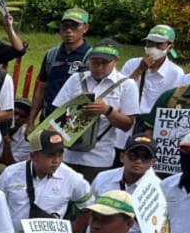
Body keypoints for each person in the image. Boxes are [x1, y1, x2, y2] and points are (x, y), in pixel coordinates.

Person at [50, 40, 140, 181]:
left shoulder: (127, 85)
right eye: (94, 62)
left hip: (98, 158)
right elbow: (55, 112)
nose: (98, 67)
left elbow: (128, 124)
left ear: (116, 61)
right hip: (67, 154)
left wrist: (108, 110)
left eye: (104, 63)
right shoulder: (76, 79)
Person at [0, 130, 91, 233]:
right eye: (51, 155)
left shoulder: (71, 178)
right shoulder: (10, 174)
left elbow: (88, 206)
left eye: (60, 154)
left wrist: (72, 232)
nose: (56, 160)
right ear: (33, 156)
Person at [28, 8, 91, 123]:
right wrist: (31, 120)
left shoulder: (91, 57)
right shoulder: (52, 54)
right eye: (65, 26)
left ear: (85, 28)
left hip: (74, 121)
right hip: (48, 117)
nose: (69, 31)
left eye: (74, 26)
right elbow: (41, 87)